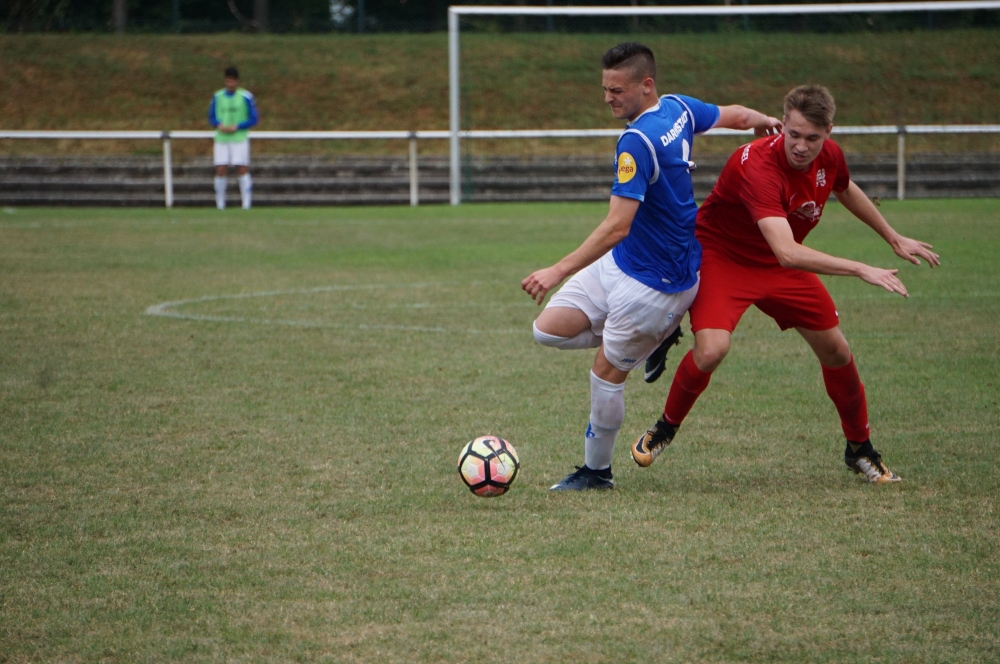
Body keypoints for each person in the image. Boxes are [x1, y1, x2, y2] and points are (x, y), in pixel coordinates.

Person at [633, 84, 940, 484]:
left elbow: (845, 189)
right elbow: (788, 252)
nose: (800, 146)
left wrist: (893, 236)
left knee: (836, 350)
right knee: (712, 350)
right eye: (792, 134)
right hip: (725, 258)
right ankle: (665, 427)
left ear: (829, 131)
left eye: (812, 138)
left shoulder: (829, 155)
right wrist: (863, 268)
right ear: (783, 124)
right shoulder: (757, 165)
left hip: (779, 265)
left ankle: (860, 449)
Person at [522, 42, 781, 491]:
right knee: (545, 329)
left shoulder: (636, 142)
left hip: (656, 284)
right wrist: (764, 121)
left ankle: (596, 473)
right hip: (621, 266)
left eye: (617, 90)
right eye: (604, 89)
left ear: (646, 86)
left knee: (606, 372)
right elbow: (734, 115)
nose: (608, 98)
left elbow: (616, 225)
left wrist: (555, 269)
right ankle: (653, 336)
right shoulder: (679, 108)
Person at [209, 66, 259, 210]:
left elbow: (254, 119)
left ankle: (246, 204)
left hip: (239, 138)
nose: (230, 84)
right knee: (220, 168)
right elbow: (211, 117)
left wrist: (238, 126)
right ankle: (220, 204)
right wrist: (219, 125)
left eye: (233, 81)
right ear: (225, 81)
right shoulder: (217, 96)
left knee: (241, 167)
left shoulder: (246, 96)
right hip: (222, 138)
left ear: (237, 81)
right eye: (228, 81)